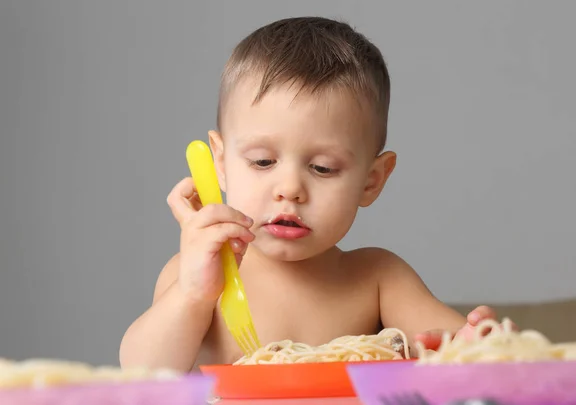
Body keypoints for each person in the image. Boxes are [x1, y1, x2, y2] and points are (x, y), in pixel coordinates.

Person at [119, 16, 502, 372]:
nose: (290, 190)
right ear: (220, 163)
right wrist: (192, 295)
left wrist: (481, 346)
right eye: (263, 161)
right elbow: (141, 374)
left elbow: (468, 354)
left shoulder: (378, 279)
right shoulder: (197, 275)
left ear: (371, 181)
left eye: (322, 168)